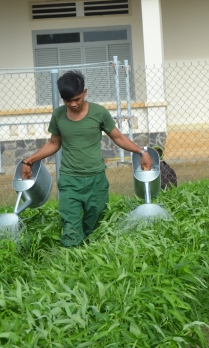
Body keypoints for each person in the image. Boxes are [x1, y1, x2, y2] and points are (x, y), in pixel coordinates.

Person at [21, 70, 153, 247]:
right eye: (68, 101)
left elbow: (118, 137)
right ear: (62, 98)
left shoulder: (99, 113)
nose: (73, 104)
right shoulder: (59, 115)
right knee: (71, 228)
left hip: (96, 180)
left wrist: (141, 152)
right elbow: (53, 143)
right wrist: (28, 160)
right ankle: (70, 264)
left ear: (85, 92)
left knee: (95, 228)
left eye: (77, 99)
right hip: (69, 180)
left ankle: (91, 262)